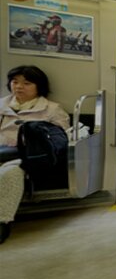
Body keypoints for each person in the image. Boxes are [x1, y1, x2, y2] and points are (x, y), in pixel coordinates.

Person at [0, 65, 70, 243]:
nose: (19, 87)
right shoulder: (1, 105)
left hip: (25, 158)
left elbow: (61, 138)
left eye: (27, 83)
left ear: (39, 86)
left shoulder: (52, 110)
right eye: (15, 82)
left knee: (11, 173)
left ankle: (2, 221)